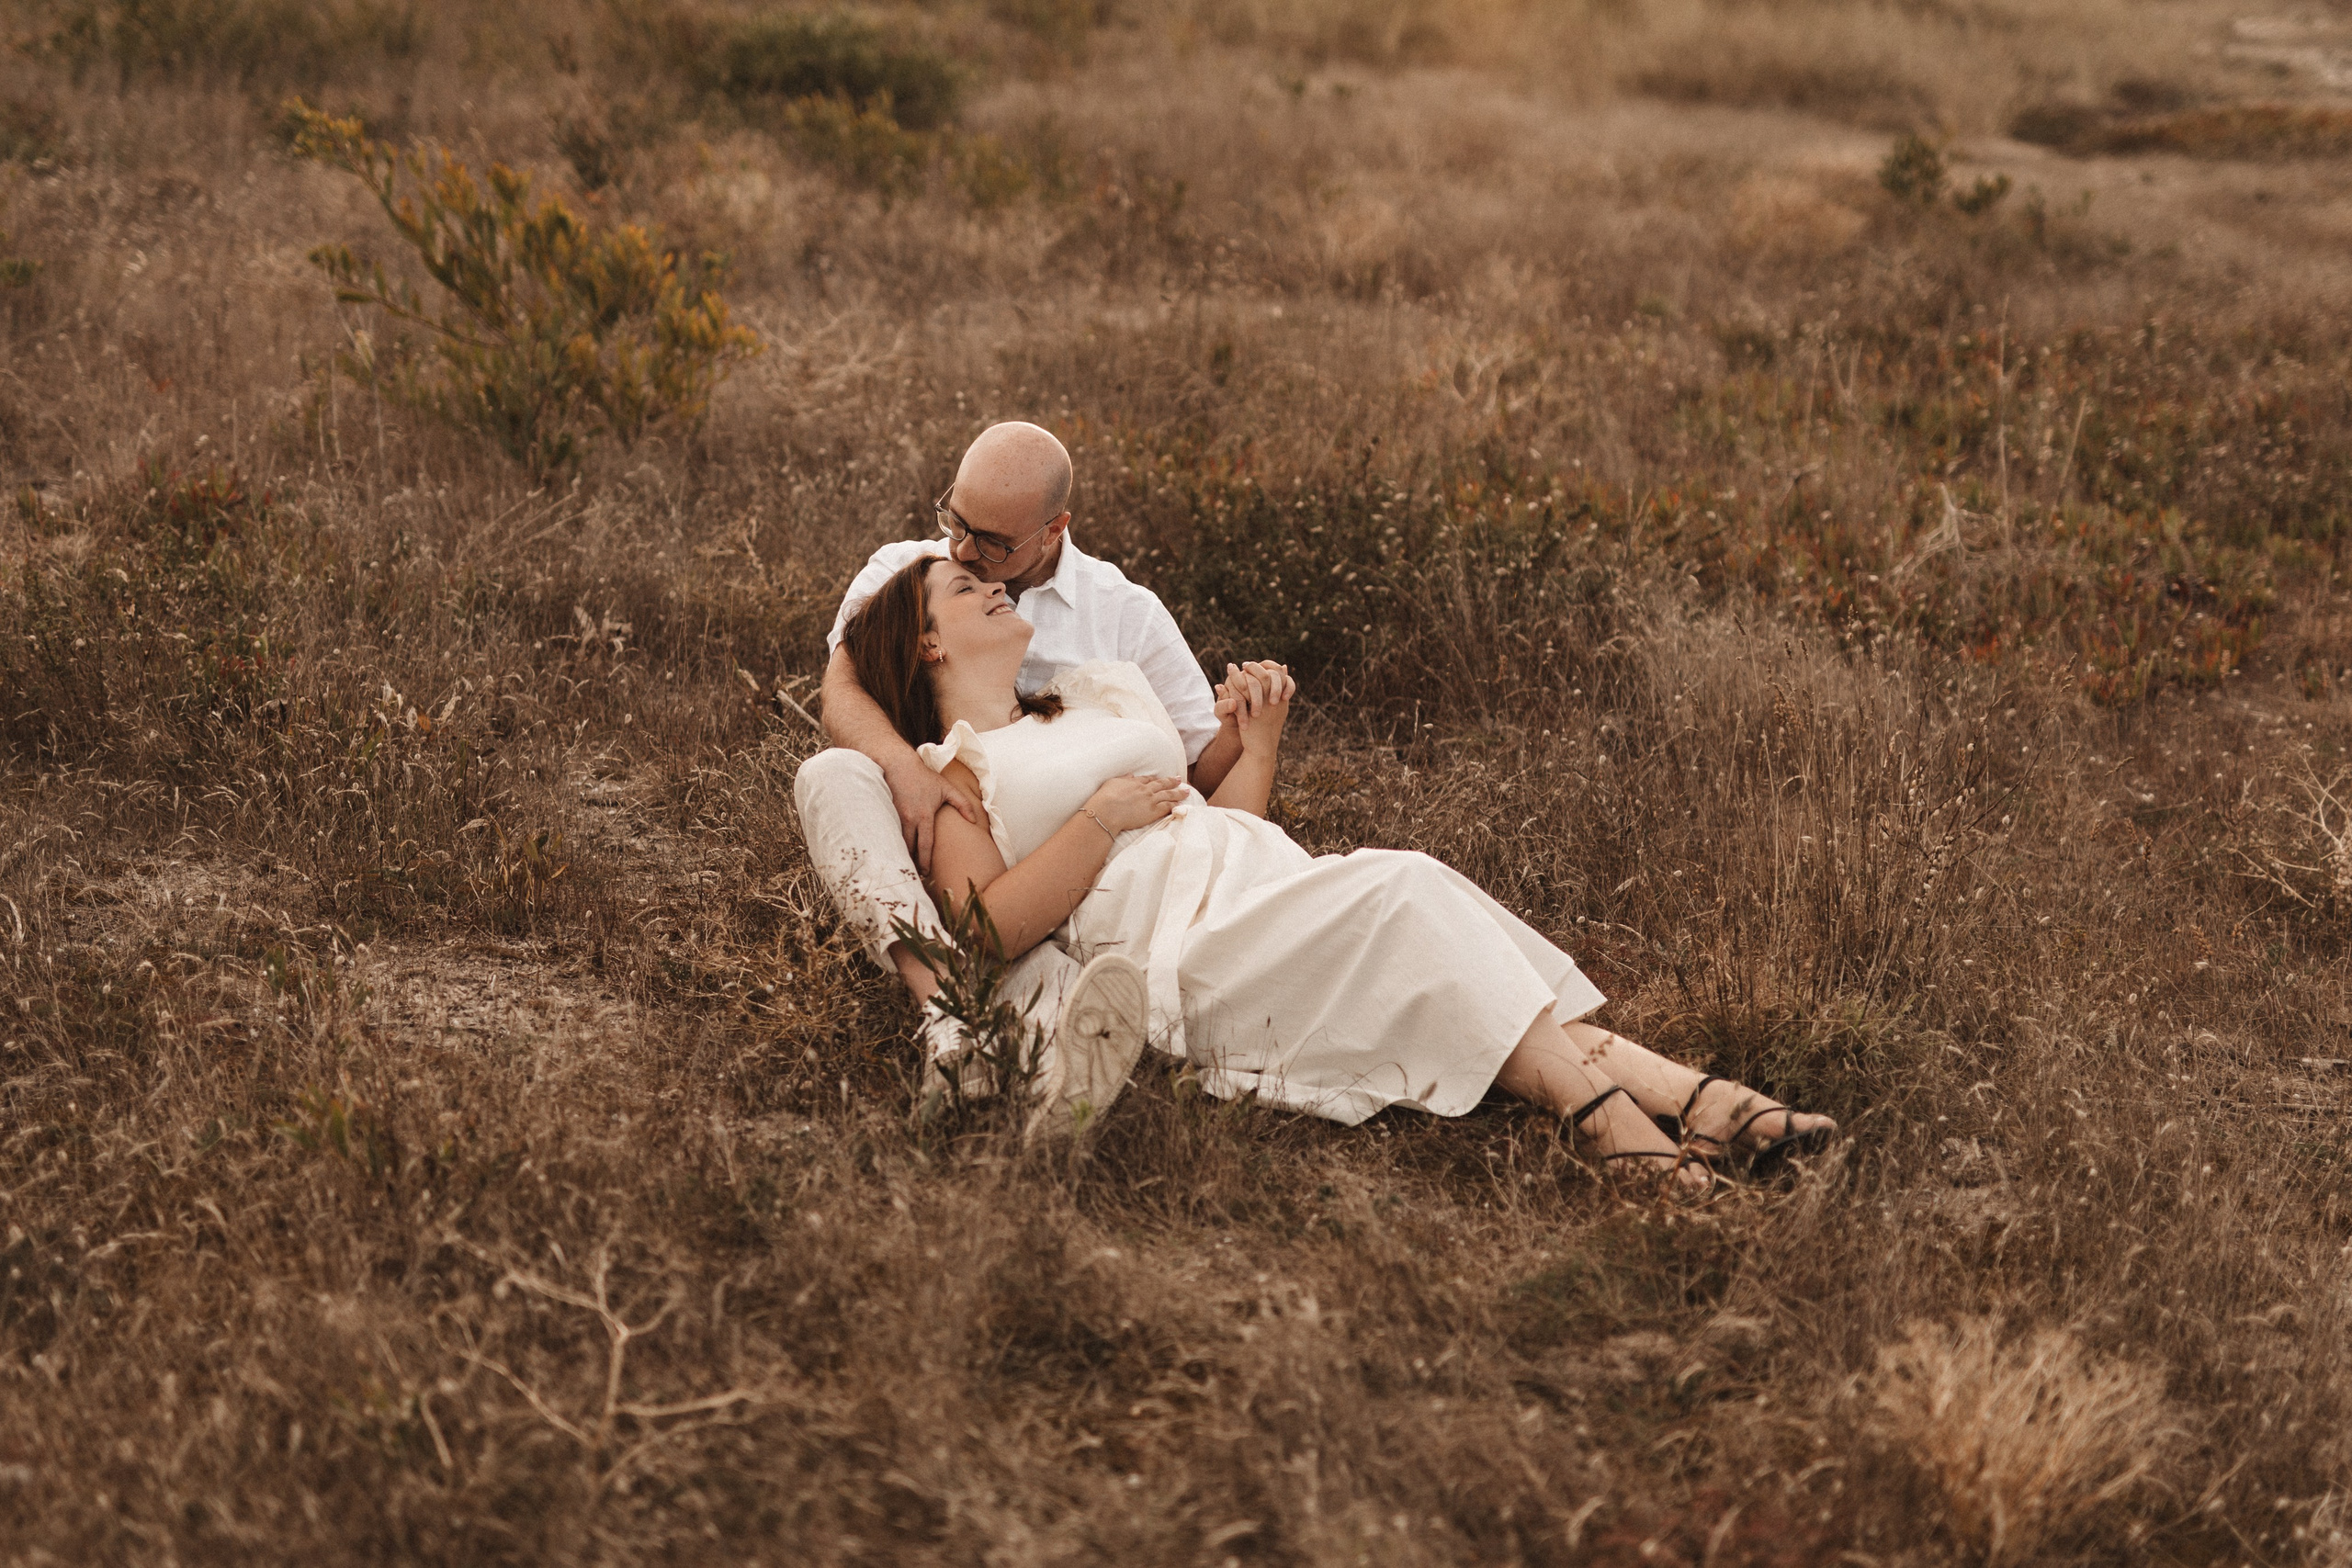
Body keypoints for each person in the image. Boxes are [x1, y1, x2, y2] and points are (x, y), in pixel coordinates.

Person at [833, 551, 1840, 1190]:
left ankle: (1698, 1110)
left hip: (1259, 885)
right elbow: (987, 930)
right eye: (965, 589)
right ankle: (1627, 1119)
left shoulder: (1092, 700)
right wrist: (1098, 821)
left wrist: (1257, 743)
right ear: (926, 642)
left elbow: (1221, 831)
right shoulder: (958, 771)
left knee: (1420, 902)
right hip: (1177, 954)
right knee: (1406, 889)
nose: (994, 586)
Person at [794, 421, 1276, 1142]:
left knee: (1029, 944)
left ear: (1053, 531)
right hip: (928, 820)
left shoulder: (1124, 615)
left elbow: (1194, 766)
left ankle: (1044, 1058)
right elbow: (841, 691)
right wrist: (910, 772)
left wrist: (1245, 725)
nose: (963, 551)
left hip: (1051, 861)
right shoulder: (908, 567)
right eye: (955, 521)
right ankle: (949, 1014)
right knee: (833, 772)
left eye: (991, 543)